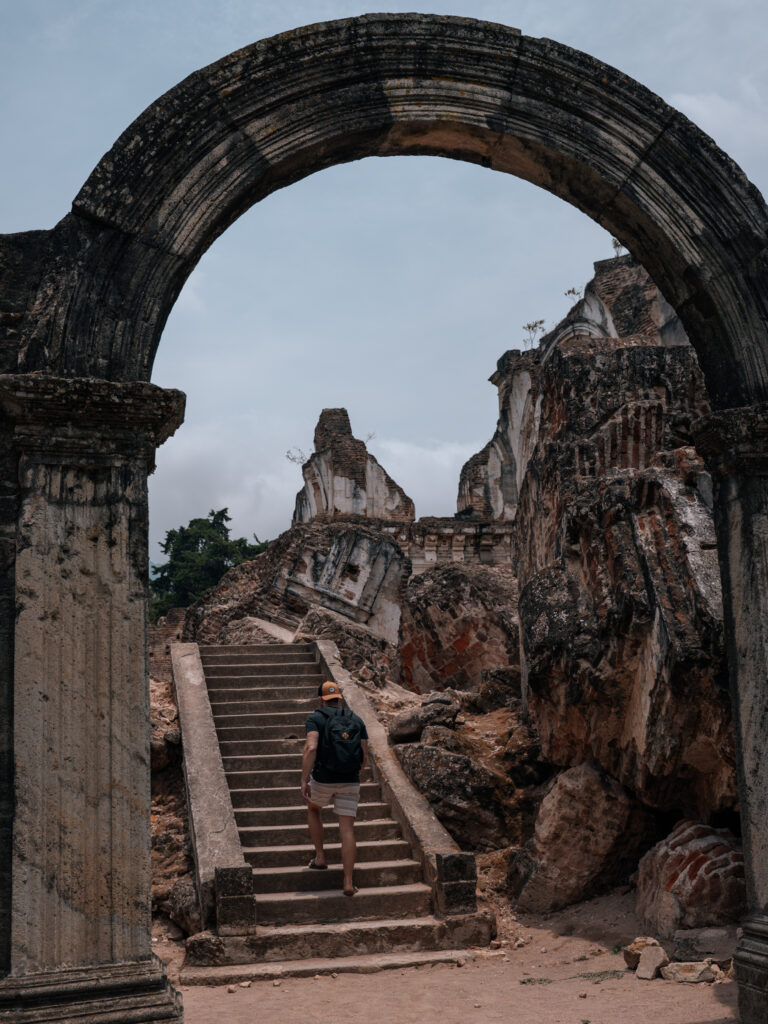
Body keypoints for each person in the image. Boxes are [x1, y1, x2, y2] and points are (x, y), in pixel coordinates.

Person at [301, 680, 369, 896]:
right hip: (350, 778)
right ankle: (348, 882)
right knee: (347, 828)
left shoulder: (315, 718)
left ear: (321, 699)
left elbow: (311, 748)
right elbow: (365, 753)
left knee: (314, 809)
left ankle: (320, 857)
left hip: (323, 778)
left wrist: (304, 779)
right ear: (339, 698)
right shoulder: (356, 719)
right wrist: (357, 773)